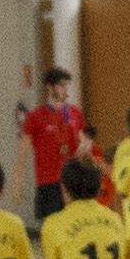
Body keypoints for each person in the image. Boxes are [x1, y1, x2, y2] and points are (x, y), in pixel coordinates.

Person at [18, 70, 89, 222]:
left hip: (72, 183)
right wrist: (18, 181)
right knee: (50, 229)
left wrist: (84, 146)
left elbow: (83, 141)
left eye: (66, 85)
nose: (65, 90)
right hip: (48, 183)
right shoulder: (35, 116)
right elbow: (23, 153)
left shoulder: (75, 113)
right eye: (61, 85)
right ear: (50, 88)